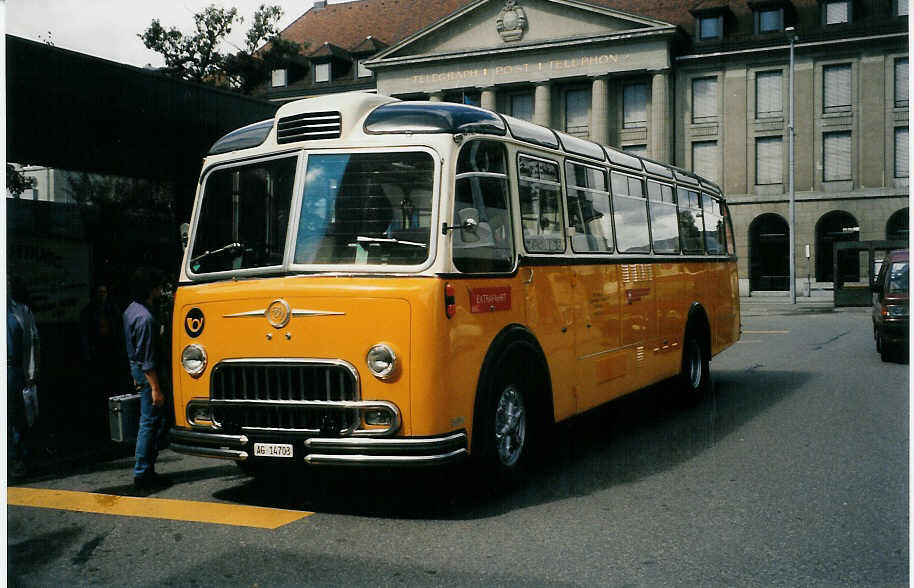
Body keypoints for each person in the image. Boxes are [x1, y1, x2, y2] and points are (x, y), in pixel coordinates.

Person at [122, 268, 169, 489]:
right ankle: (143, 472)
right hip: (149, 372)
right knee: (149, 423)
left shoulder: (131, 310)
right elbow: (148, 359)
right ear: (151, 289)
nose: (161, 291)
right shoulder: (145, 319)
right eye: (159, 287)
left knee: (148, 422)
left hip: (137, 368)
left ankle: (145, 469)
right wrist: (155, 389)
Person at [7, 278, 40, 478]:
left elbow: (35, 340)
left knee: (19, 415)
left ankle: (17, 459)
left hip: (16, 369)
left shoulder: (22, 311)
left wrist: (35, 369)